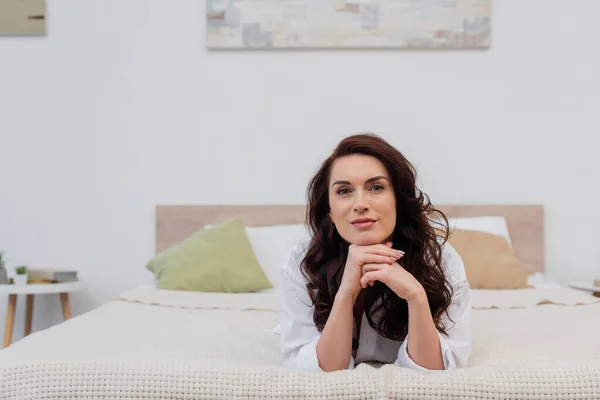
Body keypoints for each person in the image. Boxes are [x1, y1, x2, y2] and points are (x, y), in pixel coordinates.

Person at [278, 133, 471, 373]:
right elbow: (320, 372)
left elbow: (435, 371)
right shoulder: (302, 261)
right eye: (344, 191)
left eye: (376, 187)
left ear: (398, 201)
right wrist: (346, 294)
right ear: (329, 210)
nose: (360, 203)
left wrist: (415, 296)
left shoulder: (440, 260)